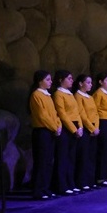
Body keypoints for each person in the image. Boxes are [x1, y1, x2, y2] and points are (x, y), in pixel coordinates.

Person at [27, 70, 60, 200]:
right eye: (47, 79)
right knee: (41, 161)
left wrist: (58, 125)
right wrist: (55, 127)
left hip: (50, 131)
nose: (50, 82)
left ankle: (45, 188)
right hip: (42, 131)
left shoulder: (47, 95)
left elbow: (54, 114)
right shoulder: (36, 95)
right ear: (40, 81)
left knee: (48, 161)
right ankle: (38, 190)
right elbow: (42, 116)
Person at [51, 70, 83, 194]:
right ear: (61, 80)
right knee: (63, 157)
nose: (71, 80)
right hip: (65, 128)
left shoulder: (70, 94)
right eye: (69, 78)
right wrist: (74, 129)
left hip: (75, 126)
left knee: (71, 157)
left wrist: (80, 127)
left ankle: (71, 183)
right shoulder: (58, 94)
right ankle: (62, 186)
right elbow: (62, 113)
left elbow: (77, 112)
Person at [74, 74, 100, 190]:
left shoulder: (90, 97)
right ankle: (82, 181)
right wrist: (91, 128)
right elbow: (82, 114)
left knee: (91, 156)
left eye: (91, 82)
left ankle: (90, 180)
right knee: (83, 156)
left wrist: (96, 127)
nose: (90, 85)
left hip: (94, 128)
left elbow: (96, 113)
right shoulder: (78, 96)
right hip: (85, 129)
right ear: (81, 83)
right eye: (88, 82)